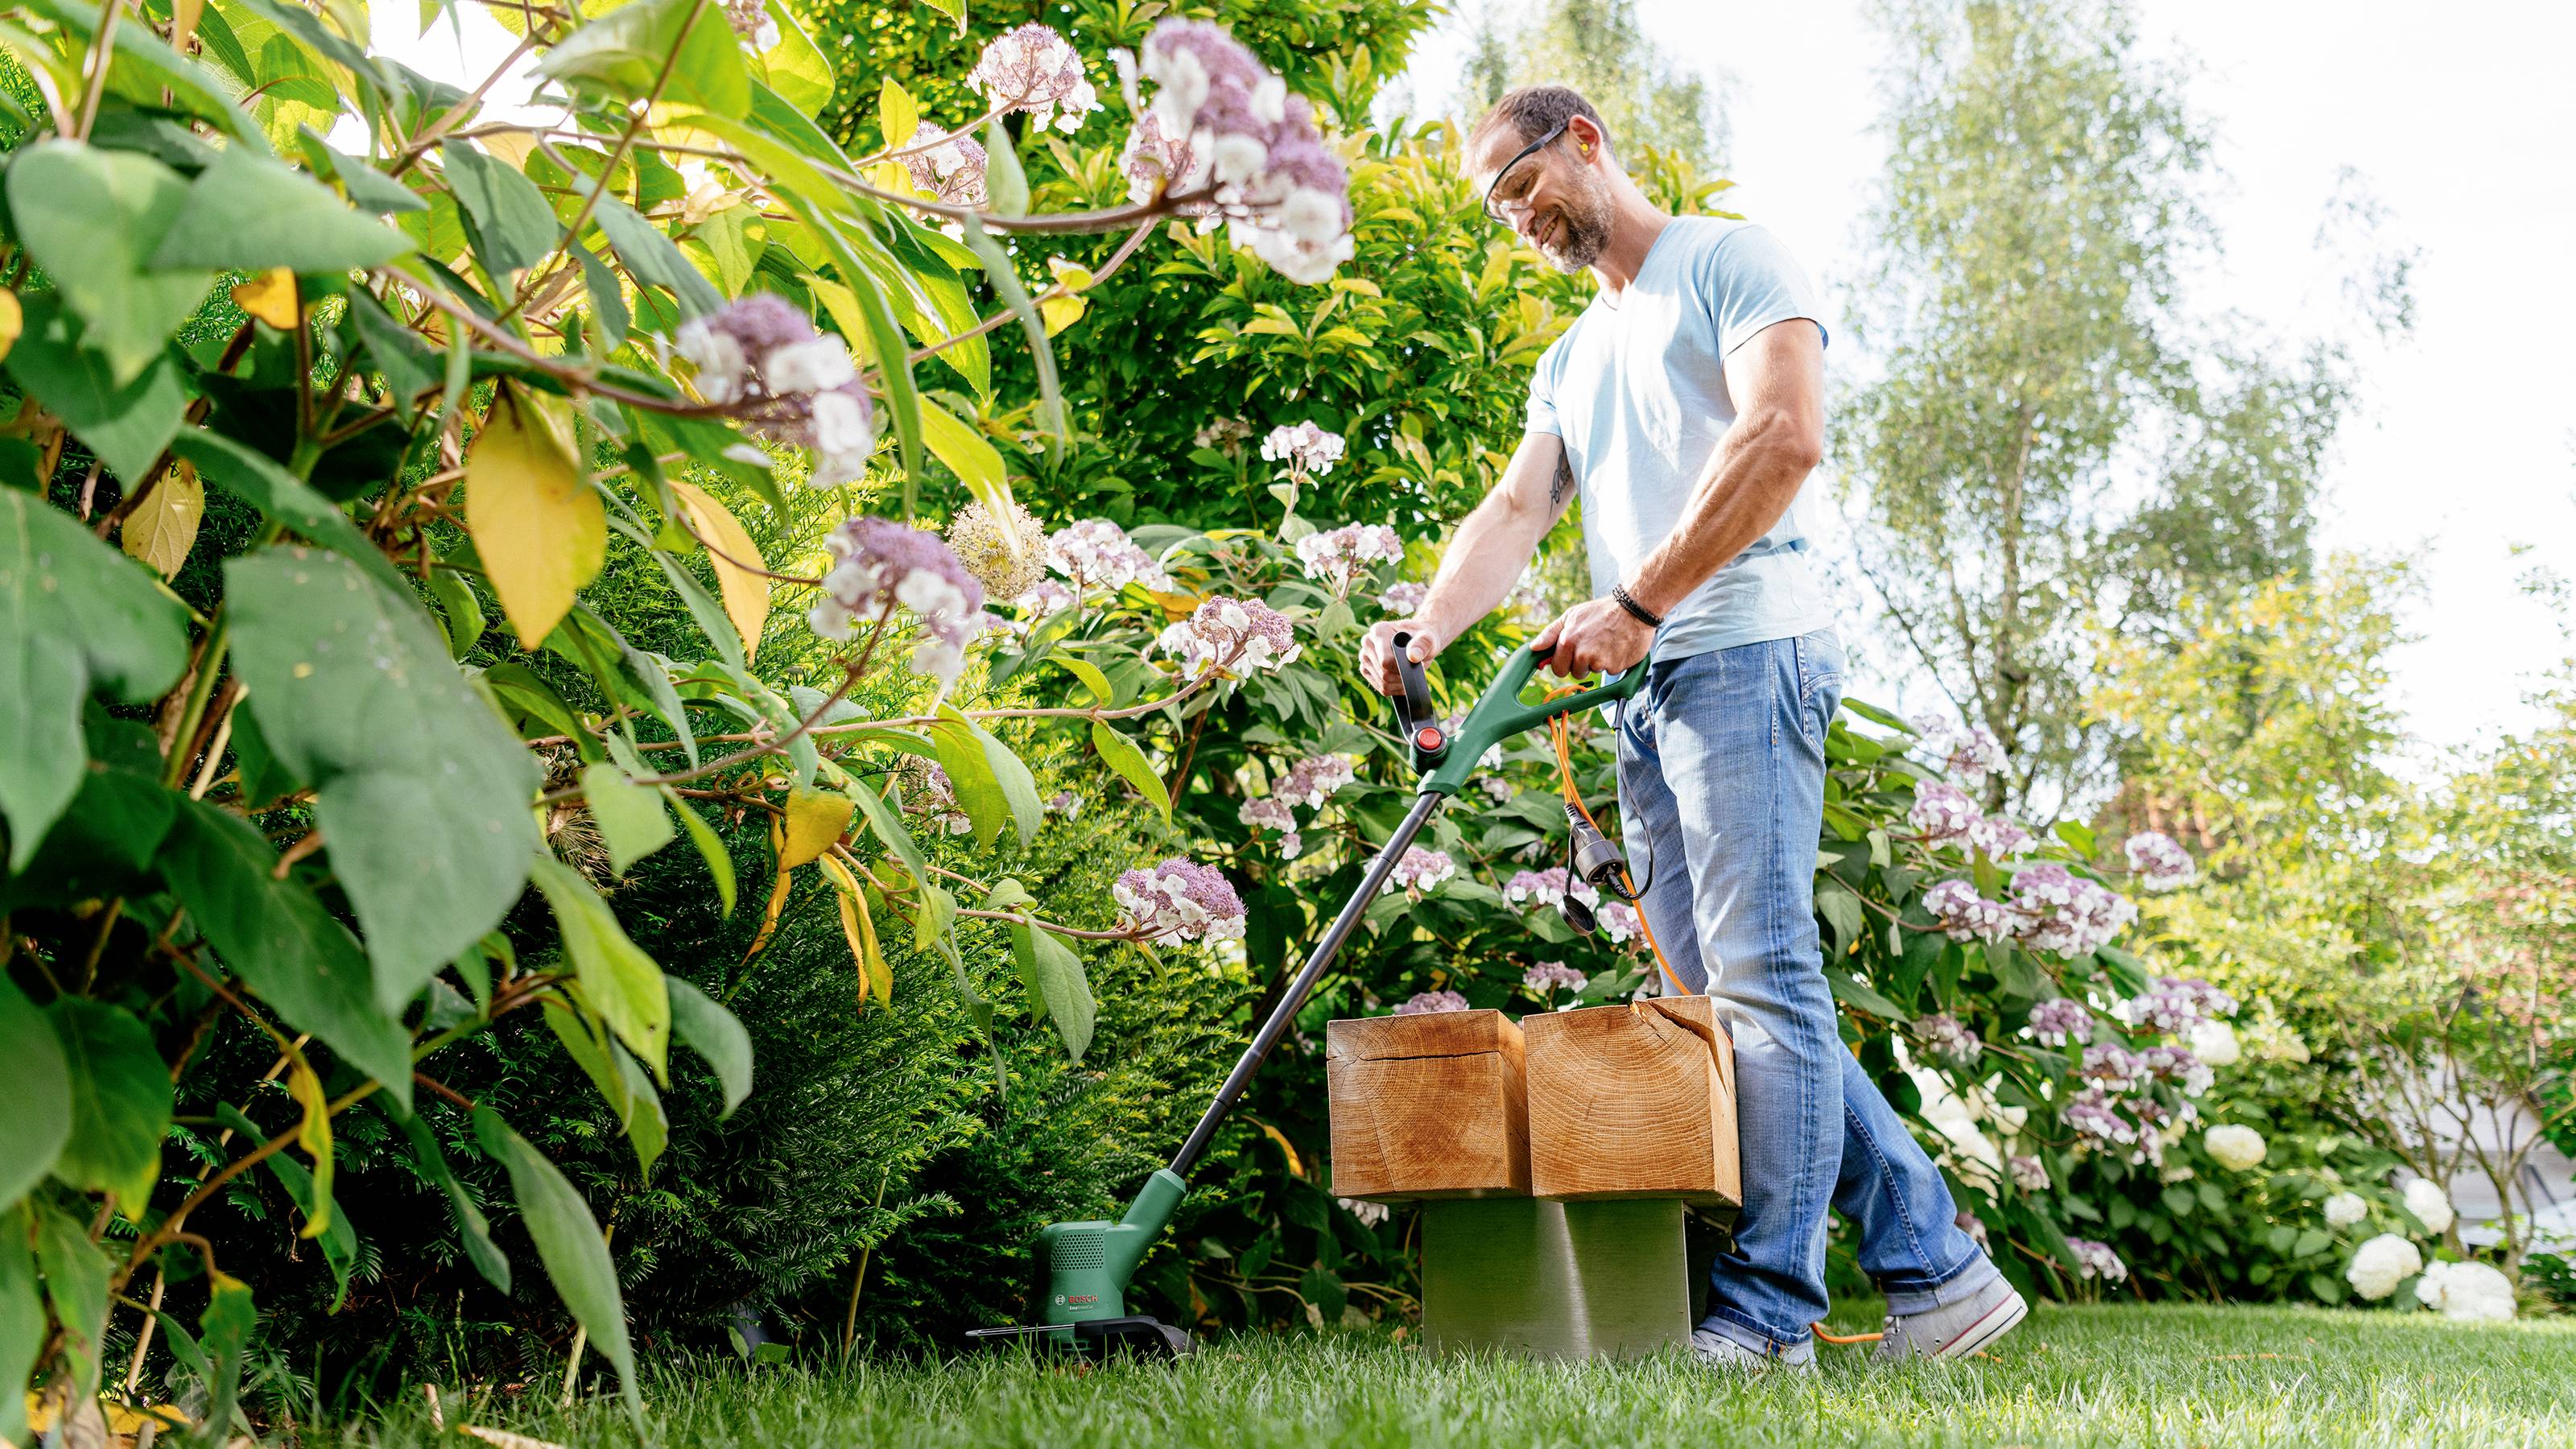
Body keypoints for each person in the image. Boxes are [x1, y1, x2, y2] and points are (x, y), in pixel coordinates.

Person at [1357, 85, 2025, 1368]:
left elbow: (1783, 436)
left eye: (1522, 184)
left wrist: (1638, 600)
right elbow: (1513, 511)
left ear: (1586, 141)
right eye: (1496, 206)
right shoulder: (1575, 353)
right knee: (1731, 999)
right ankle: (1938, 1272)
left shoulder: (1731, 258)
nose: (1518, 219)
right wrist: (1427, 630)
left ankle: (1774, 1312)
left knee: (1765, 984)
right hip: (1648, 684)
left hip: (1743, 652)